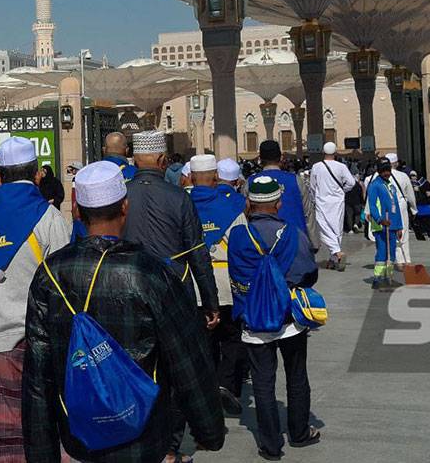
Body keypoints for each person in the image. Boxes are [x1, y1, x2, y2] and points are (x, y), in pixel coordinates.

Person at [23, 161, 225, 463]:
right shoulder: (150, 272)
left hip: (81, 433)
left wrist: (42, 453)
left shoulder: (50, 274)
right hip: (143, 431)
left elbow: (38, 375)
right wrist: (208, 429)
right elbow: (186, 359)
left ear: (77, 210)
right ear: (125, 207)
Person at [0, 137, 72, 462]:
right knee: (41, 441)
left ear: (0, 176)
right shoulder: (47, 219)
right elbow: (63, 291)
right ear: (37, 174)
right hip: (34, 351)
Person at [124, 130, 219, 462]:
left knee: (137, 371)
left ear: (136, 160)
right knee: (174, 375)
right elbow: (198, 255)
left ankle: (141, 439)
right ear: (163, 161)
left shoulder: (121, 196)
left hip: (130, 297)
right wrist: (210, 302)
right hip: (174, 298)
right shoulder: (180, 198)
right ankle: (168, 447)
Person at [227, 176, 320, 460]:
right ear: (278, 203)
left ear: (249, 204)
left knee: (263, 382)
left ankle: (270, 445)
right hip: (289, 319)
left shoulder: (238, 237)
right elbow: (309, 273)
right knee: (296, 376)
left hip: (254, 321)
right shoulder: (293, 233)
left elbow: (237, 276)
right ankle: (300, 432)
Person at [187, 154, 248, 416]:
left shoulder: (182, 205)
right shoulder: (232, 207)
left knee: (203, 341)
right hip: (225, 281)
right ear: (215, 178)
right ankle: (227, 384)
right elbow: (243, 247)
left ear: (190, 178)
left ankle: (207, 388)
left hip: (193, 283)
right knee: (233, 336)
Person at [309, 142, 356, 271]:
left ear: (323, 152)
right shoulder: (341, 167)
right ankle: (334, 259)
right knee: (336, 229)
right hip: (337, 201)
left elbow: (313, 186)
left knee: (323, 228)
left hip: (322, 201)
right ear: (335, 153)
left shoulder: (317, 167)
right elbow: (351, 183)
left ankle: (336, 252)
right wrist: (342, 191)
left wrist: (314, 197)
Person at [249, 140, 309, 237]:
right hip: (295, 239)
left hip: (261, 240)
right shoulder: (296, 180)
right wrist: (313, 243)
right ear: (281, 157)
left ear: (260, 159)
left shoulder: (251, 182)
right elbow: (308, 213)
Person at [367, 158, 404, 289]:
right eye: (383, 171)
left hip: (392, 224)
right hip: (381, 224)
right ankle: (378, 278)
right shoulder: (374, 186)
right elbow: (372, 206)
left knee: (392, 252)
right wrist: (379, 219)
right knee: (382, 252)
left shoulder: (390, 185)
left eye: (388, 170)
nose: (386, 173)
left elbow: (396, 207)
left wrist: (400, 226)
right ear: (378, 171)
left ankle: (389, 277)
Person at [384, 152, 417, 266]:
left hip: (388, 206)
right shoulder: (403, 176)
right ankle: (407, 259)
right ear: (396, 163)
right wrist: (414, 208)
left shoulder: (381, 176)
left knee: (393, 231)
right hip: (401, 204)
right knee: (404, 231)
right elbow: (410, 194)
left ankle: (400, 260)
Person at [410, 170, 430, 241]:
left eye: (414, 175)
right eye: (411, 176)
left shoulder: (423, 182)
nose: (413, 177)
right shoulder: (410, 183)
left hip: (425, 203)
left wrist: (421, 189)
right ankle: (422, 231)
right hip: (418, 204)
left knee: (427, 219)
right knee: (419, 219)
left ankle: (429, 232)